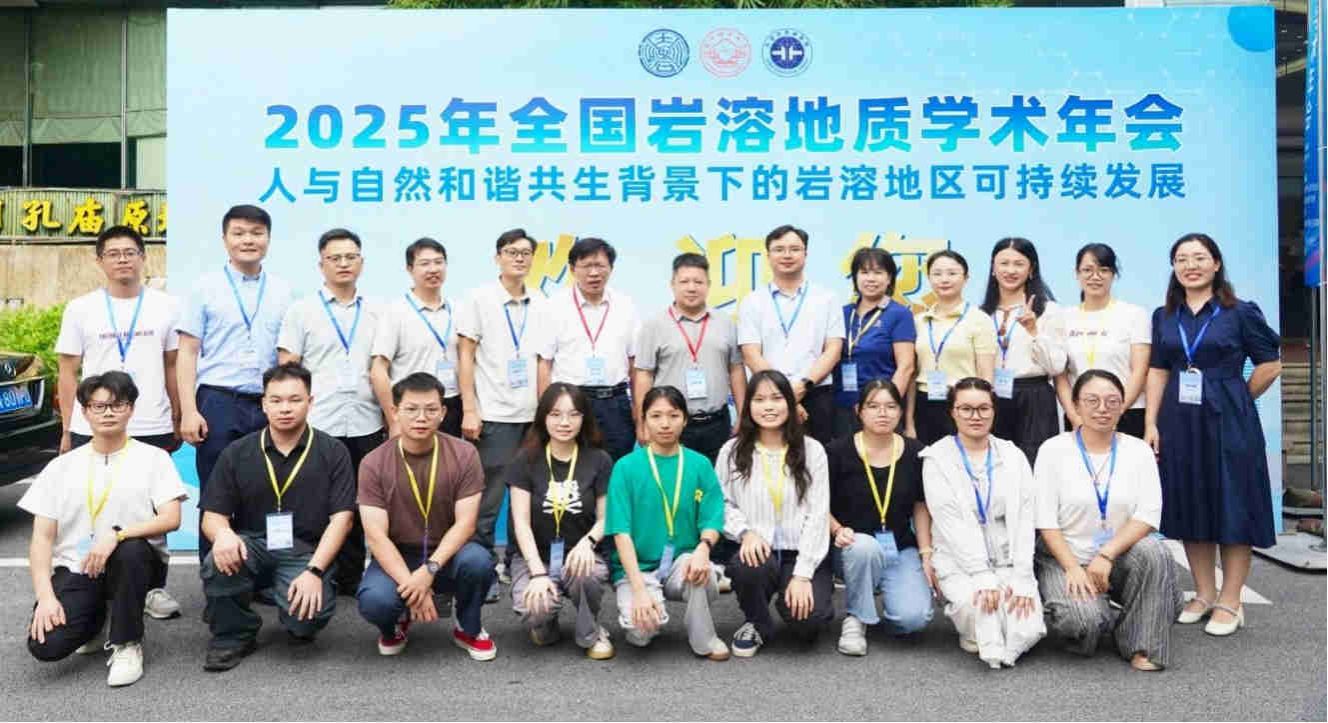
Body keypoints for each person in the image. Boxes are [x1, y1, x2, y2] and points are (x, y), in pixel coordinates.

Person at [1145, 233, 1281, 637]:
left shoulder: (1239, 312)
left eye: (1200, 257)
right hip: (1179, 421)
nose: (1191, 266)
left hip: (1230, 421)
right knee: (1192, 503)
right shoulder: (1165, 315)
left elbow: (1270, 363)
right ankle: (1204, 593)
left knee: (1233, 504)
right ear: (1174, 267)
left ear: (1216, 264)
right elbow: (1158, 370)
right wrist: (1151, 422)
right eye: (1182, 259)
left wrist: (1238, 396)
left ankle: (1231, 599)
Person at [22, 372, 187, 687]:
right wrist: (45, 598)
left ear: (131, 409)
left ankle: (127, 643)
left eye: (117, 405)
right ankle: (98, 619)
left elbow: (171, 518)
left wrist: (118, 534)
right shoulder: (61, 467)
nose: (108, 413)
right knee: (46, 645)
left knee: (131, 550)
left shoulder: (154, 458)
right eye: (98, 406)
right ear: (85, 412)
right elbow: (41, 539)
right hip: (78, 567)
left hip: (136, 563)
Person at [55, 224, 184, 619]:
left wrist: (178, 413)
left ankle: (153, 588)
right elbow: (67, 372)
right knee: (90, 507)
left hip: (151, 423)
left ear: (144, 257)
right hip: (93, 425)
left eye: (130, 252)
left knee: (153, 512)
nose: (123, 259)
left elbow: (173, 365)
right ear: (99, 261)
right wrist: (67, 428)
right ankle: (91, 586)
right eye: (113, 253)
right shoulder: (81, 309)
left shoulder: (167, 306)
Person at [198, 363, 354, 672]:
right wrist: (224, 535)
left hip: (304, 552)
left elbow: (342, 520)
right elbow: (212, 516)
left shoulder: (333, 451)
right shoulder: (237, 452)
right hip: (252, 545)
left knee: (306, 621)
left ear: (310, 402)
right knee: (217, 559)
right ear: (264, 404)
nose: (285, 408)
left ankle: (294, 606)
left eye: (295, 400)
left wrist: (314, 571)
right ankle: (234, 633)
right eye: (276, 400)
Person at [1034, 370, 1181, 671]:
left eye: (1112, 401)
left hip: (1118, 555)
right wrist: (1073, 568)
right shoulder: (1053, 450)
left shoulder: (1138, 451)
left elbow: (1148, 515)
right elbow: (1045, 520)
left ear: (1122, 406)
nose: (1103, 408)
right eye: (1092, 400)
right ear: (1075, 405)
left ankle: (1143, 643)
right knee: (1084, 624)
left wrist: (1106, 554)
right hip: (1066, 559)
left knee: (1155, 552)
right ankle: (1112, 615)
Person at [178, 205, 295, 562]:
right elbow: (187, 352)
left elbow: (288, 356)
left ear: (268, 239)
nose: (248, 240)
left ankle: (265, 572)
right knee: (217, 491)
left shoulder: (284, 291)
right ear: (224, 239)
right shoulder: (204, 288)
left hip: (268, 403)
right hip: (218, 401)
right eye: (239, 233)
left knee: (270, 489)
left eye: (257, 233)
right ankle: (216, 574)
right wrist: (189, 411)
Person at [355, 372, 497, 661]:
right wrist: (413, 586)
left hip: (449, 554)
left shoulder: (464, 454)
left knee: (478, 562)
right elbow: (376, 536)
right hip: (399, 555)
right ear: (395, 411)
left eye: (431, 409)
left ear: (443, 412)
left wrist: (428, 571)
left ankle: (468, 626)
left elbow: (466, 524)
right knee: (375, 600)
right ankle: (395, 624)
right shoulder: (373, 463)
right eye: (411, 409)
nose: (421, 417)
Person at [278, 228, 383, 596]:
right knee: (313, 503)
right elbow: (288, 366)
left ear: (361, 263)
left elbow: (384, 366)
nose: (343, 264)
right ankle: (306, 573)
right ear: (321, 264)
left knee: (359, 502)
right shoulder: (302, 311)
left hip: (367, 421)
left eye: (350, 257)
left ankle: (352, 577)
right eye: (334, 258)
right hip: (319, 422)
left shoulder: (377, 311)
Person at [920, 377, 1045, 669]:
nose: (975, 416)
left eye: (983, 408)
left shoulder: (1013, 455)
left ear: (994, 411)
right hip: (960, 560)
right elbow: (950, 523)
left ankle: (997, 625)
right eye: (966, 409)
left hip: (1007, 557)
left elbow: (1025, 519)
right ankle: (971, 624)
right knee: (979, 605)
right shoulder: (936, 458)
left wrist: (1023, 575)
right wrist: (981, 574)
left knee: (1026, 626)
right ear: (952, 412)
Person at [604, 386, 730, 660]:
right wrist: (639, 591)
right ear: (644, 420)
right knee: (641, 632)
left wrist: (704, 549)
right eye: (656, 416)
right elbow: (620, 533)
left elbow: (713, 515)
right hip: (638, 568)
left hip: (681, 563)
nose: (665, 424)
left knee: (702, 572)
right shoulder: (625, 467)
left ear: (685, 420)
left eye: (673, 416)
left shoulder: (699, 464)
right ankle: (648, 609)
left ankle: (704, 638)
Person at [716, 370, 833, 657]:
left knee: (809, 624)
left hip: (800, 551)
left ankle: (792, 596)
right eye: (759, 400)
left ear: (791, 404)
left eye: (777, 398)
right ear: (748, 406)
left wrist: (802, 575)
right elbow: (721, 503)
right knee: (749, 567)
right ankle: (757, 622)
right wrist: (745, 533)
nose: (768, 407)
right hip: (758, 549)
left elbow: (818, 515)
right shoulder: (732, 451)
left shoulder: (812, 450)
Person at [456, 229, 547, 595]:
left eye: (525, 252)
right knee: (488, 500)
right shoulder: (479, 299)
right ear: (498, 258)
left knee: (528, 498)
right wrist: (470, 408)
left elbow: (543, 360)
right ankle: (483, 572)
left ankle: (515, 563)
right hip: (493, 414)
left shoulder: (541, 302)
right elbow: (465, 355)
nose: (519, 258)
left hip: (533, 417)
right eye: (511, 252)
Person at [825, 378, 936, 657]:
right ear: (859, 411)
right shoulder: (837, 452)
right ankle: (856, 618)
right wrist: (837, 529)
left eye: (890, 406)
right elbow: (817, 504)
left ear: (900, 411)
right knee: (864, 547)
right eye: (873, 406)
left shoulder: (915, 451)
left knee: (914, 619)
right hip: (850, 547)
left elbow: (921, 505)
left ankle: (886, 602)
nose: (883, 413)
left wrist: (926, 553)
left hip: (898, 547)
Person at [506, 383, 615, 659]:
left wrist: (588, 543)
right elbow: (521, 523)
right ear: (543, 417)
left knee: (586, 573)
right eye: (555, 414)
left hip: (580, 554)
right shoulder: (525, 460)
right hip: (536, 556)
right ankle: (545, 624)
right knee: (535, 608)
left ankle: (590, 631)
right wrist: (537, 573)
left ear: (584, 418)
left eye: (573, 414)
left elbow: (606, 517)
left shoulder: (599, 460)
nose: (564, 423)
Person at [633, 252, 746, 465]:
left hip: (717, 423)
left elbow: (736, 369)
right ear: (672, 285)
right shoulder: (654, 325)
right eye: (684, 282)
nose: (691, 288)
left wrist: (742, 414)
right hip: (670, 425)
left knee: (715, 481)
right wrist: (642, 422)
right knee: (673, 482)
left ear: (708, 285)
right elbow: (644, 375)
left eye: (698, 282)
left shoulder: (726, 323)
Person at [738, 224, 845, 446]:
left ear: (806, 254)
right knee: (767, 457)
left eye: (794, 249)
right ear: (768, 256)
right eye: (779, 249)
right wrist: (785, 395)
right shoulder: (753, 301)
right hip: (767, 396)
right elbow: (750, 353)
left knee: (817, 458)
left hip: (816, 393)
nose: (787, 255)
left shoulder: (827, 298)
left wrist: (802, 386)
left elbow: (833, 350)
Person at [537, 237, 639, 461]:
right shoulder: (554, 307)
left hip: (615, 403)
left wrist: (638, 409)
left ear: (611, 268)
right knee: (572, 467)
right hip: (570, 402)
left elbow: (634, 363)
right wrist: (546, 411)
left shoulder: (625, 305)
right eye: (586, 266)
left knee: (615, 467)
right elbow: (544, 363)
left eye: (600, 265)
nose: (594, 273)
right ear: (572, 269)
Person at [978, 238, 1065, 465]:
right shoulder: (981, 314)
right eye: (1004, 263)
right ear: (993, 268)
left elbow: (1056, 366)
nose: (1010, 270)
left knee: (1034, 465)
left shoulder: (1048, 311)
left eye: (1019, 264)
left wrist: (1034, 330)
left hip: (1034, 396)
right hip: (993, 395)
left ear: (1031, 269)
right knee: (993, 464)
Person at [1055, 243, 1152, 438]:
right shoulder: (1063, 317)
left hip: (1127, 412)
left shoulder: (1134, 314)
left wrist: (1116, 410)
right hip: (1080, 416)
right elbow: (1060, 374)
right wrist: (1074, 415)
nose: (1095, 276)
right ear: (1077, 273)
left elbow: (1140, 370)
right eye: (1087, 270)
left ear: (1114, 274)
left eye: (1103, 270)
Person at [371, 238, 463, 439]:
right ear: (410, 269)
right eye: (425, 263)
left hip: (451, 404)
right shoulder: (395, 312)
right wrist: (393, 420)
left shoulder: (458, 309)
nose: (433, 269)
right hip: (412, 406)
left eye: (438, 262)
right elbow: (378, 369)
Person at [907, 251, 996, 446]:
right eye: (937, 274)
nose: (944, 279)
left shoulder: (979, 319)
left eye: (952, 273)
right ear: (929, 278)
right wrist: (909, 421)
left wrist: (980, 414)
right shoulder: (919, 321)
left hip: (964, 404)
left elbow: (986, 376)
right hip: (924, 403)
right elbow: (912, 376)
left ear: (966, 278)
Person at [831, 247, 917, 440]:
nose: (871, 279)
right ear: (855, 277)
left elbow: (906, 367)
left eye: (878, 273)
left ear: (889, 278)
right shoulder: (842, 313)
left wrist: (884, 406)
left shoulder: (899, 314)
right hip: (842, 407)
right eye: (864, 272)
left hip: (880, 413)